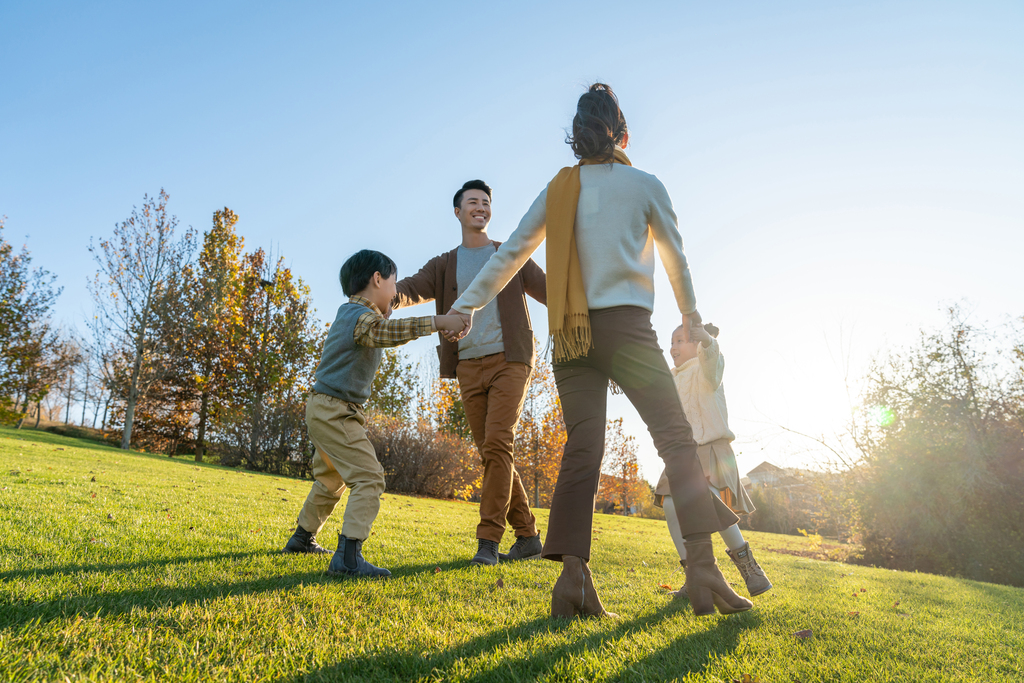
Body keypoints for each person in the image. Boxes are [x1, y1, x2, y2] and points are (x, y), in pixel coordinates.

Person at [447, 83, 752, 618]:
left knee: (583, 450)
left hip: (571, 337)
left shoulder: (558, 190)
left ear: (576, 138)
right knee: (678, 443)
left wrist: (467, 306)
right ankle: (702, 572)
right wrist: (691, 319)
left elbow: (511, 254)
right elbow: (676, 260)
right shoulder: (645, 185)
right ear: (622, 133)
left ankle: (572, 584)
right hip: (629, 332)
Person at [282, 249, 466, 579]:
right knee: (368, 477)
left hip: (328, 408)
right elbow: (382, 333)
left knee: (330, 478)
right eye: (394, 283)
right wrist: (439, 322)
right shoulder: (359, 317)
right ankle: (348, 558)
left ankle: (301, 538)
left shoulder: (351, 313)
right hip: (334, 411)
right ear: (377, 279)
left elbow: (382, 328)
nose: (396, 293)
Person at [393, 180, 547, 566]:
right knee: (492, 453)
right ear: (458, 212)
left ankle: (488, 543)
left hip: (510, 360)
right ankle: (527, 536)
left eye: (486, 203)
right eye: (472, 202)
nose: (480, 207)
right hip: (467, 366)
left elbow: (550, 289)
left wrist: (589, 304)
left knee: (497, 444)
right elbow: (410, 288)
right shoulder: (445, 264)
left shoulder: (507, 254)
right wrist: (383, 298)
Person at [656, 322, 772, 599]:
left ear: (695, 344)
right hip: (681, 453)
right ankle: (695, 577)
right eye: (671, 342)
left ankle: (749, 567)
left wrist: (706, 339)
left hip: (710, 449)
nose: (673, 347)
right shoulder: (671, 377)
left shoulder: (708, 370)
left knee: (710, 501)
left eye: (680, 341)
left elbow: (710, 354)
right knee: (671, 505)